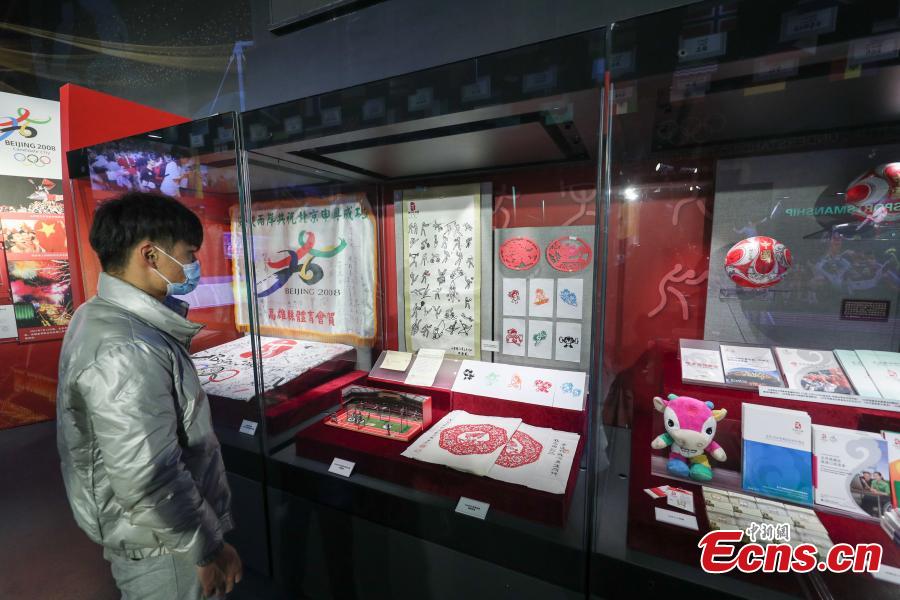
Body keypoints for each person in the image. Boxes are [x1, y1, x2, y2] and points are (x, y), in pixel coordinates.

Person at [56, 192, 242, 599]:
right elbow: (148, 475)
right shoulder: (127, 347)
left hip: (156, 533)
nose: (193, 264)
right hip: (166, 546)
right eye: (189, 253)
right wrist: (206, 547)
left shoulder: (99, 314)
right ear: (151, 254)